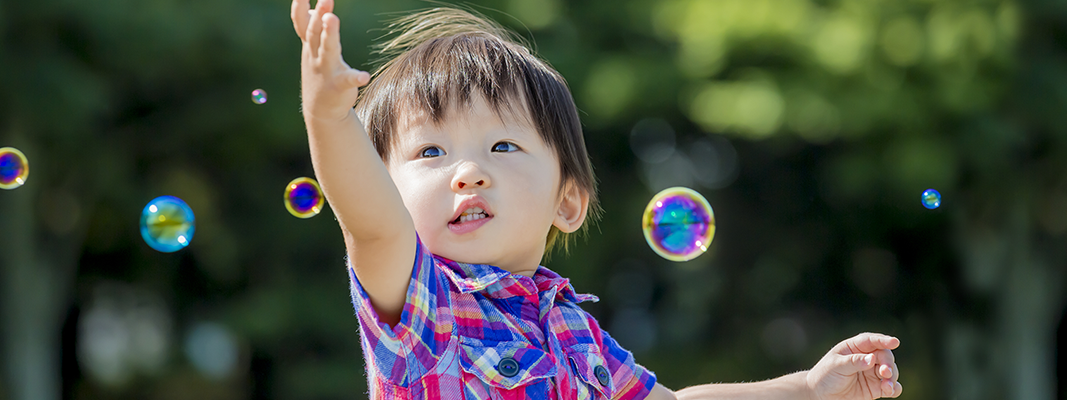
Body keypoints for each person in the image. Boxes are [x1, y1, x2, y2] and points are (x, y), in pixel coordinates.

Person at [288, 0, 904, 398]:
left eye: (503, 146)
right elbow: (371, 224)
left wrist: (806, 387)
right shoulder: (422, 306)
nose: (468, 172)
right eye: (429, 154)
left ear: (568, 201)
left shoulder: (572, 329)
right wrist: (328, 119)